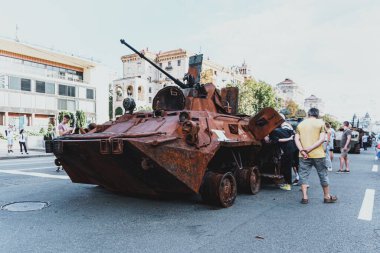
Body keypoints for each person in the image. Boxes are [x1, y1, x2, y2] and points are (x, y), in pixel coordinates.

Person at [295, 108, 337, 204]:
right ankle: (327, 196)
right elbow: (322, 139)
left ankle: (305, 197)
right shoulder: (321, 123)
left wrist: (302, 150)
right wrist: (310, 149)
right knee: (323, 174)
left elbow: (296, 139)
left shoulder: (300, 124)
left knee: (303, 175)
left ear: (308, 114)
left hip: (303, 155)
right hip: (318, 154)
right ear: (317, 115)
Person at [267, 121, 295, 191]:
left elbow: (278, 140)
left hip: (287, 150)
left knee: (286, 168)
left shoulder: (272, 133)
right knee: (288, 167)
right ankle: (287, 183)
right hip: (293, 148)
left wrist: (289, 139)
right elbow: (293, 133)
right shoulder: (284, 130)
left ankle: (288, 185)